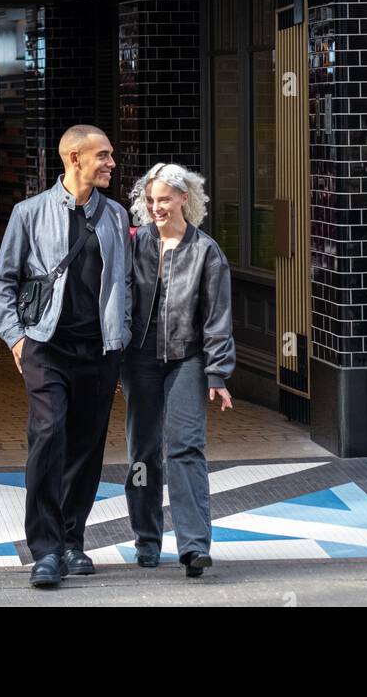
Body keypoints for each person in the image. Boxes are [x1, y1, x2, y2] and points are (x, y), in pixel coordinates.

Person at [0, 125, 132, 588]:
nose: (111, 163)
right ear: (74, 158)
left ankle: (73, 541)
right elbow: (1, 281)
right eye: (103, 156)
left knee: (87, 447)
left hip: (99, 350)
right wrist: (15, 338)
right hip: (46, 347)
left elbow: (124, 282)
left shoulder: (114, 215)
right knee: (48, 437)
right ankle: (45, 550)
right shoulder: (29, 213)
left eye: (110, 156)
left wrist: (121, 335)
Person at [121, 162, 235, 578]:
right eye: (150, 201)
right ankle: (146, 540)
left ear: (185, 198)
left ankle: (193, 546)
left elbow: (217, 317)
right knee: (142, 451)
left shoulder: (206, 251)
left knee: (185, 447)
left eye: (164, 199)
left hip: (188, 358)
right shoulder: (135, 244)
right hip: (139, 358)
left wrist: (218, 373)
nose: (156, 207)